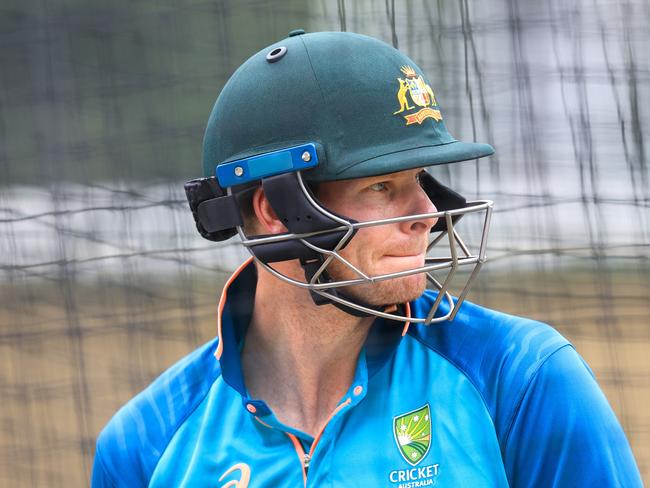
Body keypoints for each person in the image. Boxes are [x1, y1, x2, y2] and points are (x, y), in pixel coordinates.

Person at [91, 31, 642, 487]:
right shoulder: (148, 443)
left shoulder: (522, 377)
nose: (427, 213)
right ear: (275, 210)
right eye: (382, 186)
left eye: (420, 180)